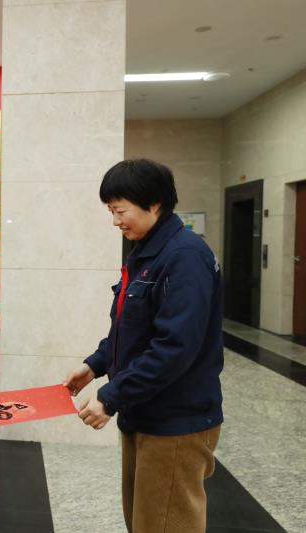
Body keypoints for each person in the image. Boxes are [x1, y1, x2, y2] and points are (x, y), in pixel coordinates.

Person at [63, 159, 223, 533]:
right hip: (144, 413)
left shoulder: (185, 257)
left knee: (166, 524)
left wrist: (111, 397)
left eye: (120, 211)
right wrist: (95, 365)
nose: (115, 221)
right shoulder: (148, 252)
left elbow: (174, 348)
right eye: (111, 212)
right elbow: (131, 330)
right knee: (145, 522)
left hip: (175, 421)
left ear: (154, 203)